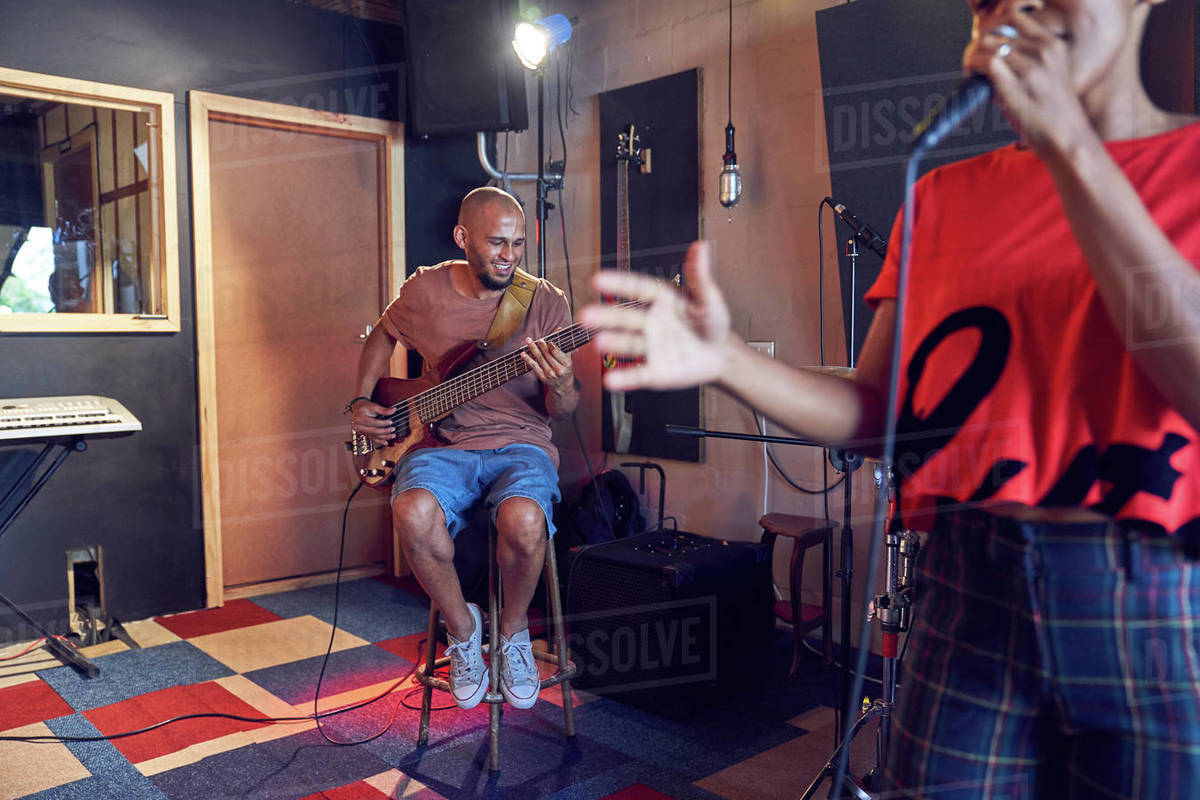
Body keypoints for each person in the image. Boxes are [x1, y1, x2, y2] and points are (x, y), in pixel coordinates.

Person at [581, 0, 1199, 796]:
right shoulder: (944, 198)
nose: (1013, 10)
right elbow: (880, 415)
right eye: (986, 0)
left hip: (1156, 600)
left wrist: (1073, 148)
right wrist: (725, 360)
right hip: (967, 588)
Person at [351, 186, 577, 711]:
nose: (509, 256)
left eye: (518, 244)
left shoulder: (544, 301)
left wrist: (562, 384)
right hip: (442, 441)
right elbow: (382, 335)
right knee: (411, 509)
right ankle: (463, 628)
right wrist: (362, 397)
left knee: (524, 520)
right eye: (498, 243)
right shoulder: (425, 290)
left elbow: (561, 411)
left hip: (522, 443)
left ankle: (514, 632)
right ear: (463, 238)